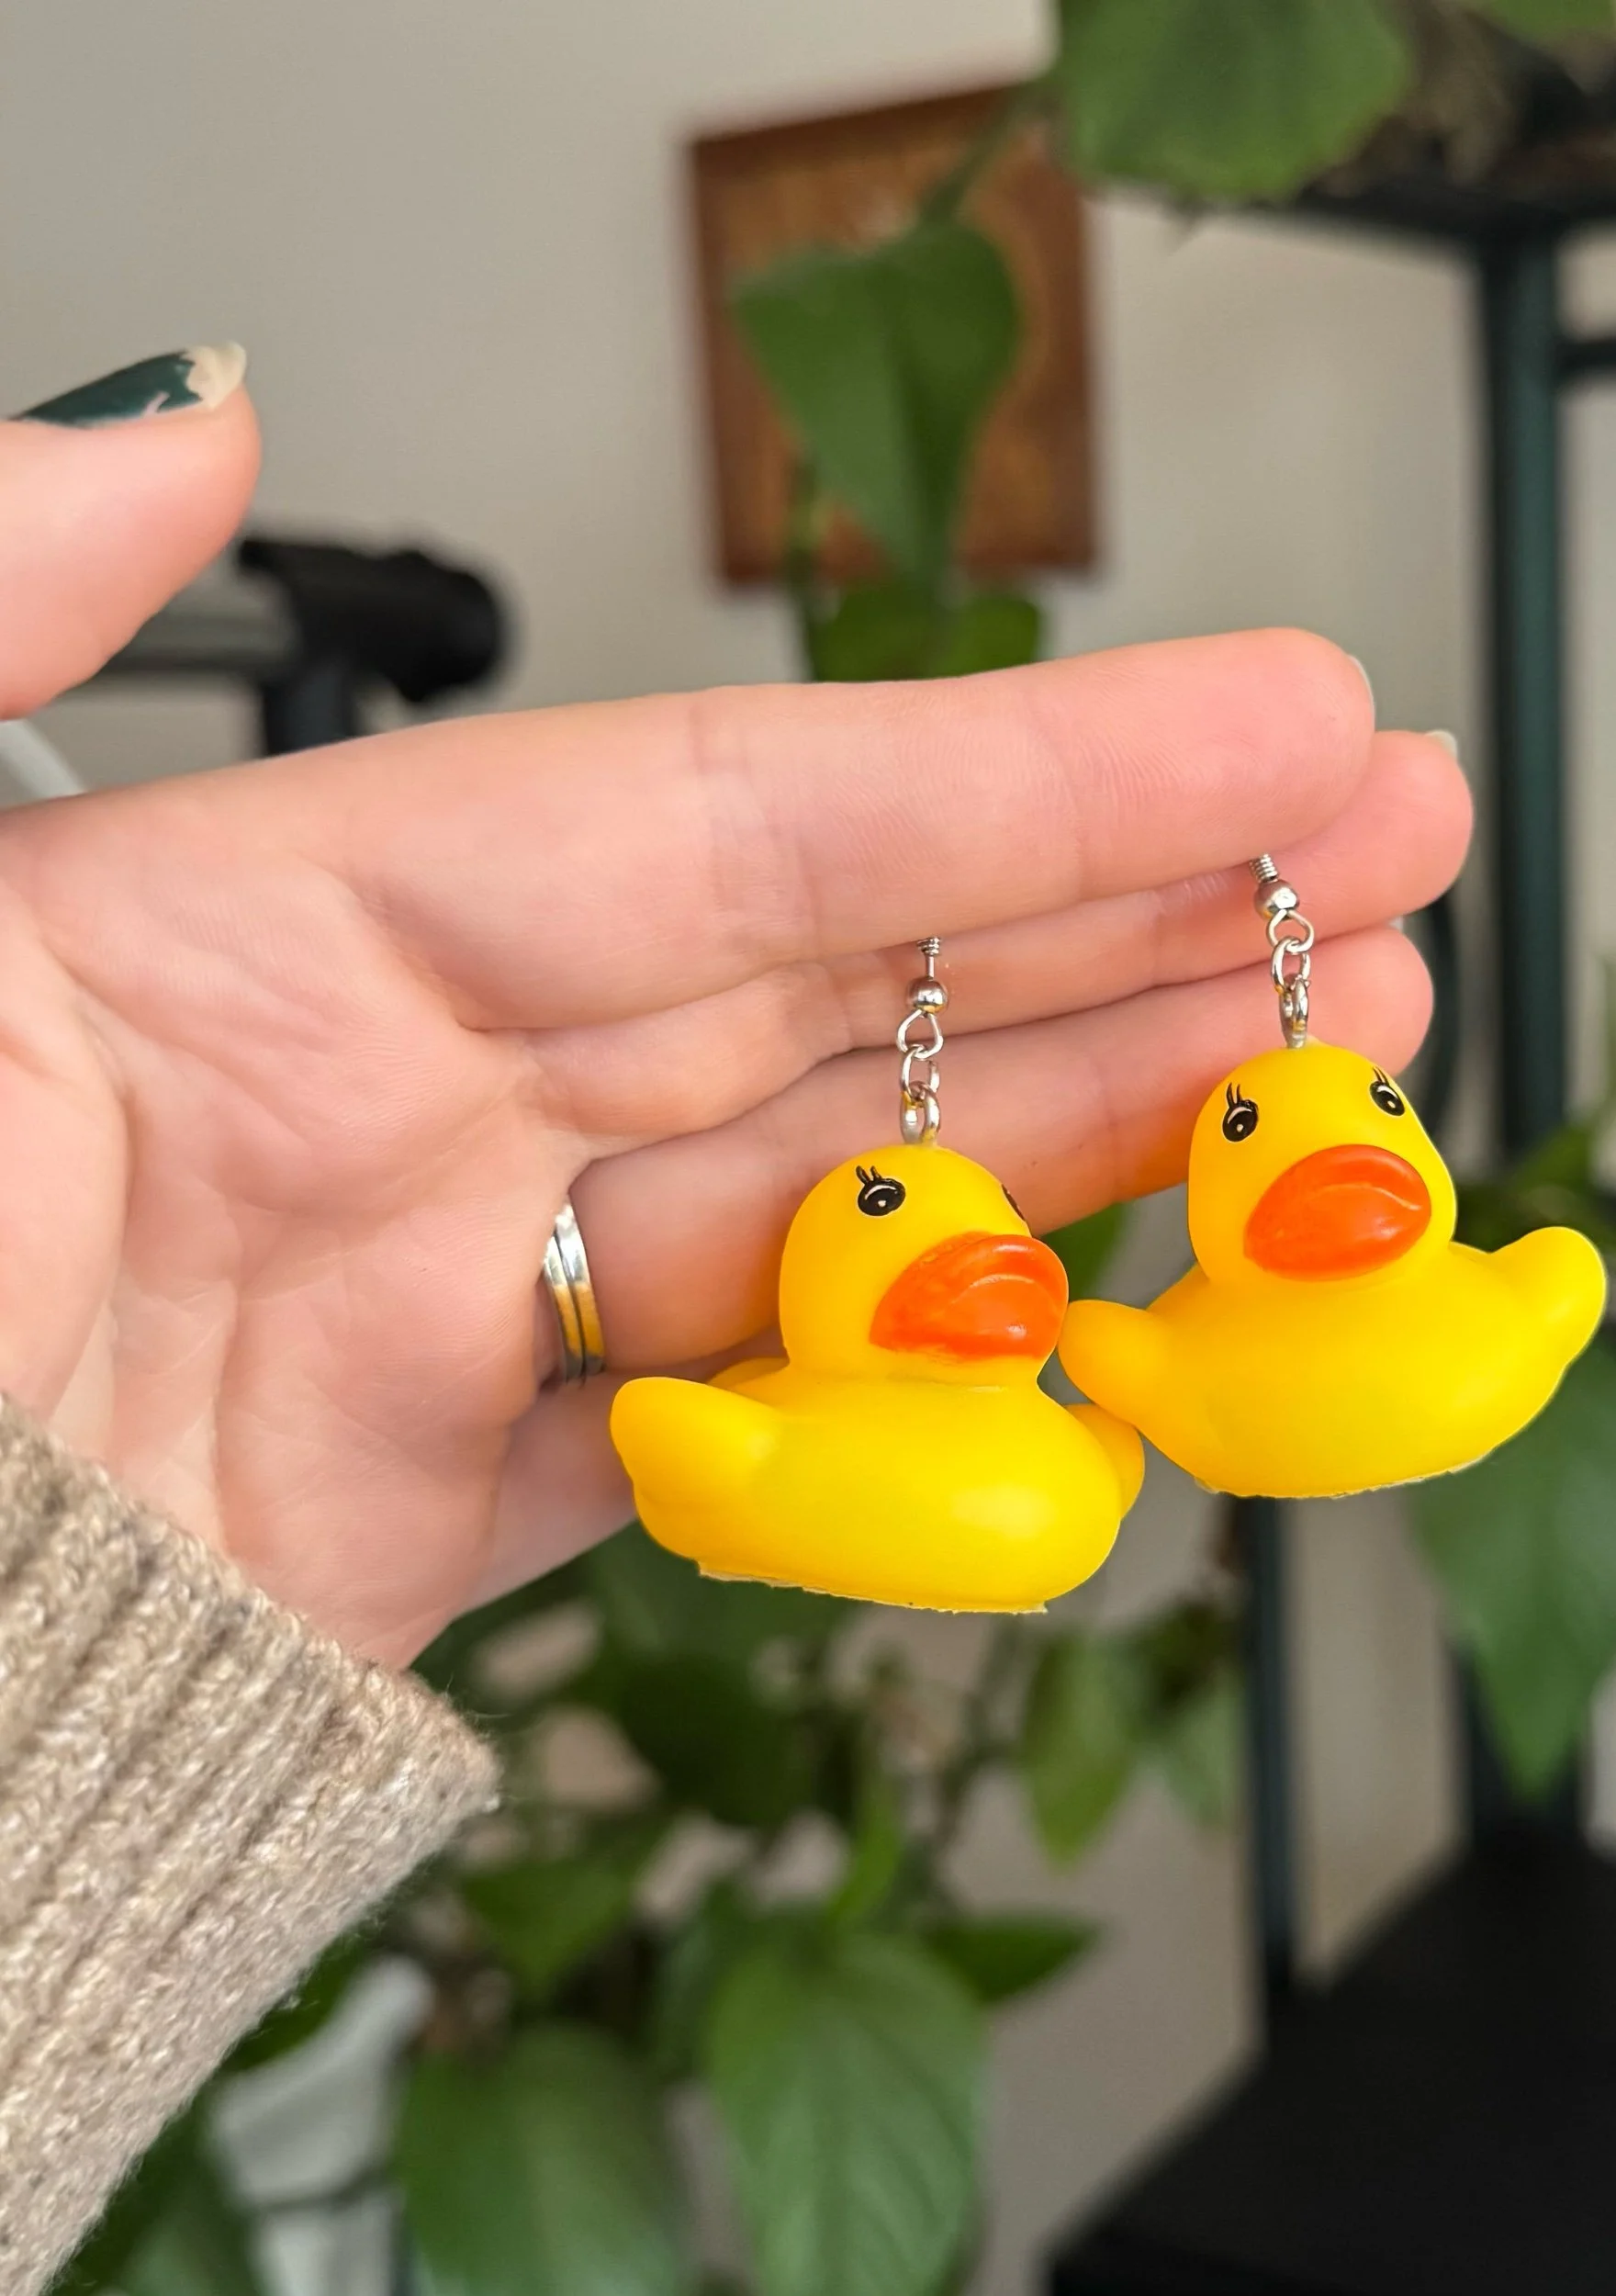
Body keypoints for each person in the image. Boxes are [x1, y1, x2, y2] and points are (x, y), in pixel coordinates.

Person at [0, 350, 1471, 2284]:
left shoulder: (1129, 1377)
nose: (1001, 1268)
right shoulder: (947, 1400)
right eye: (911, 1215)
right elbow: (784, 1429)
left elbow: (1157, 1372)